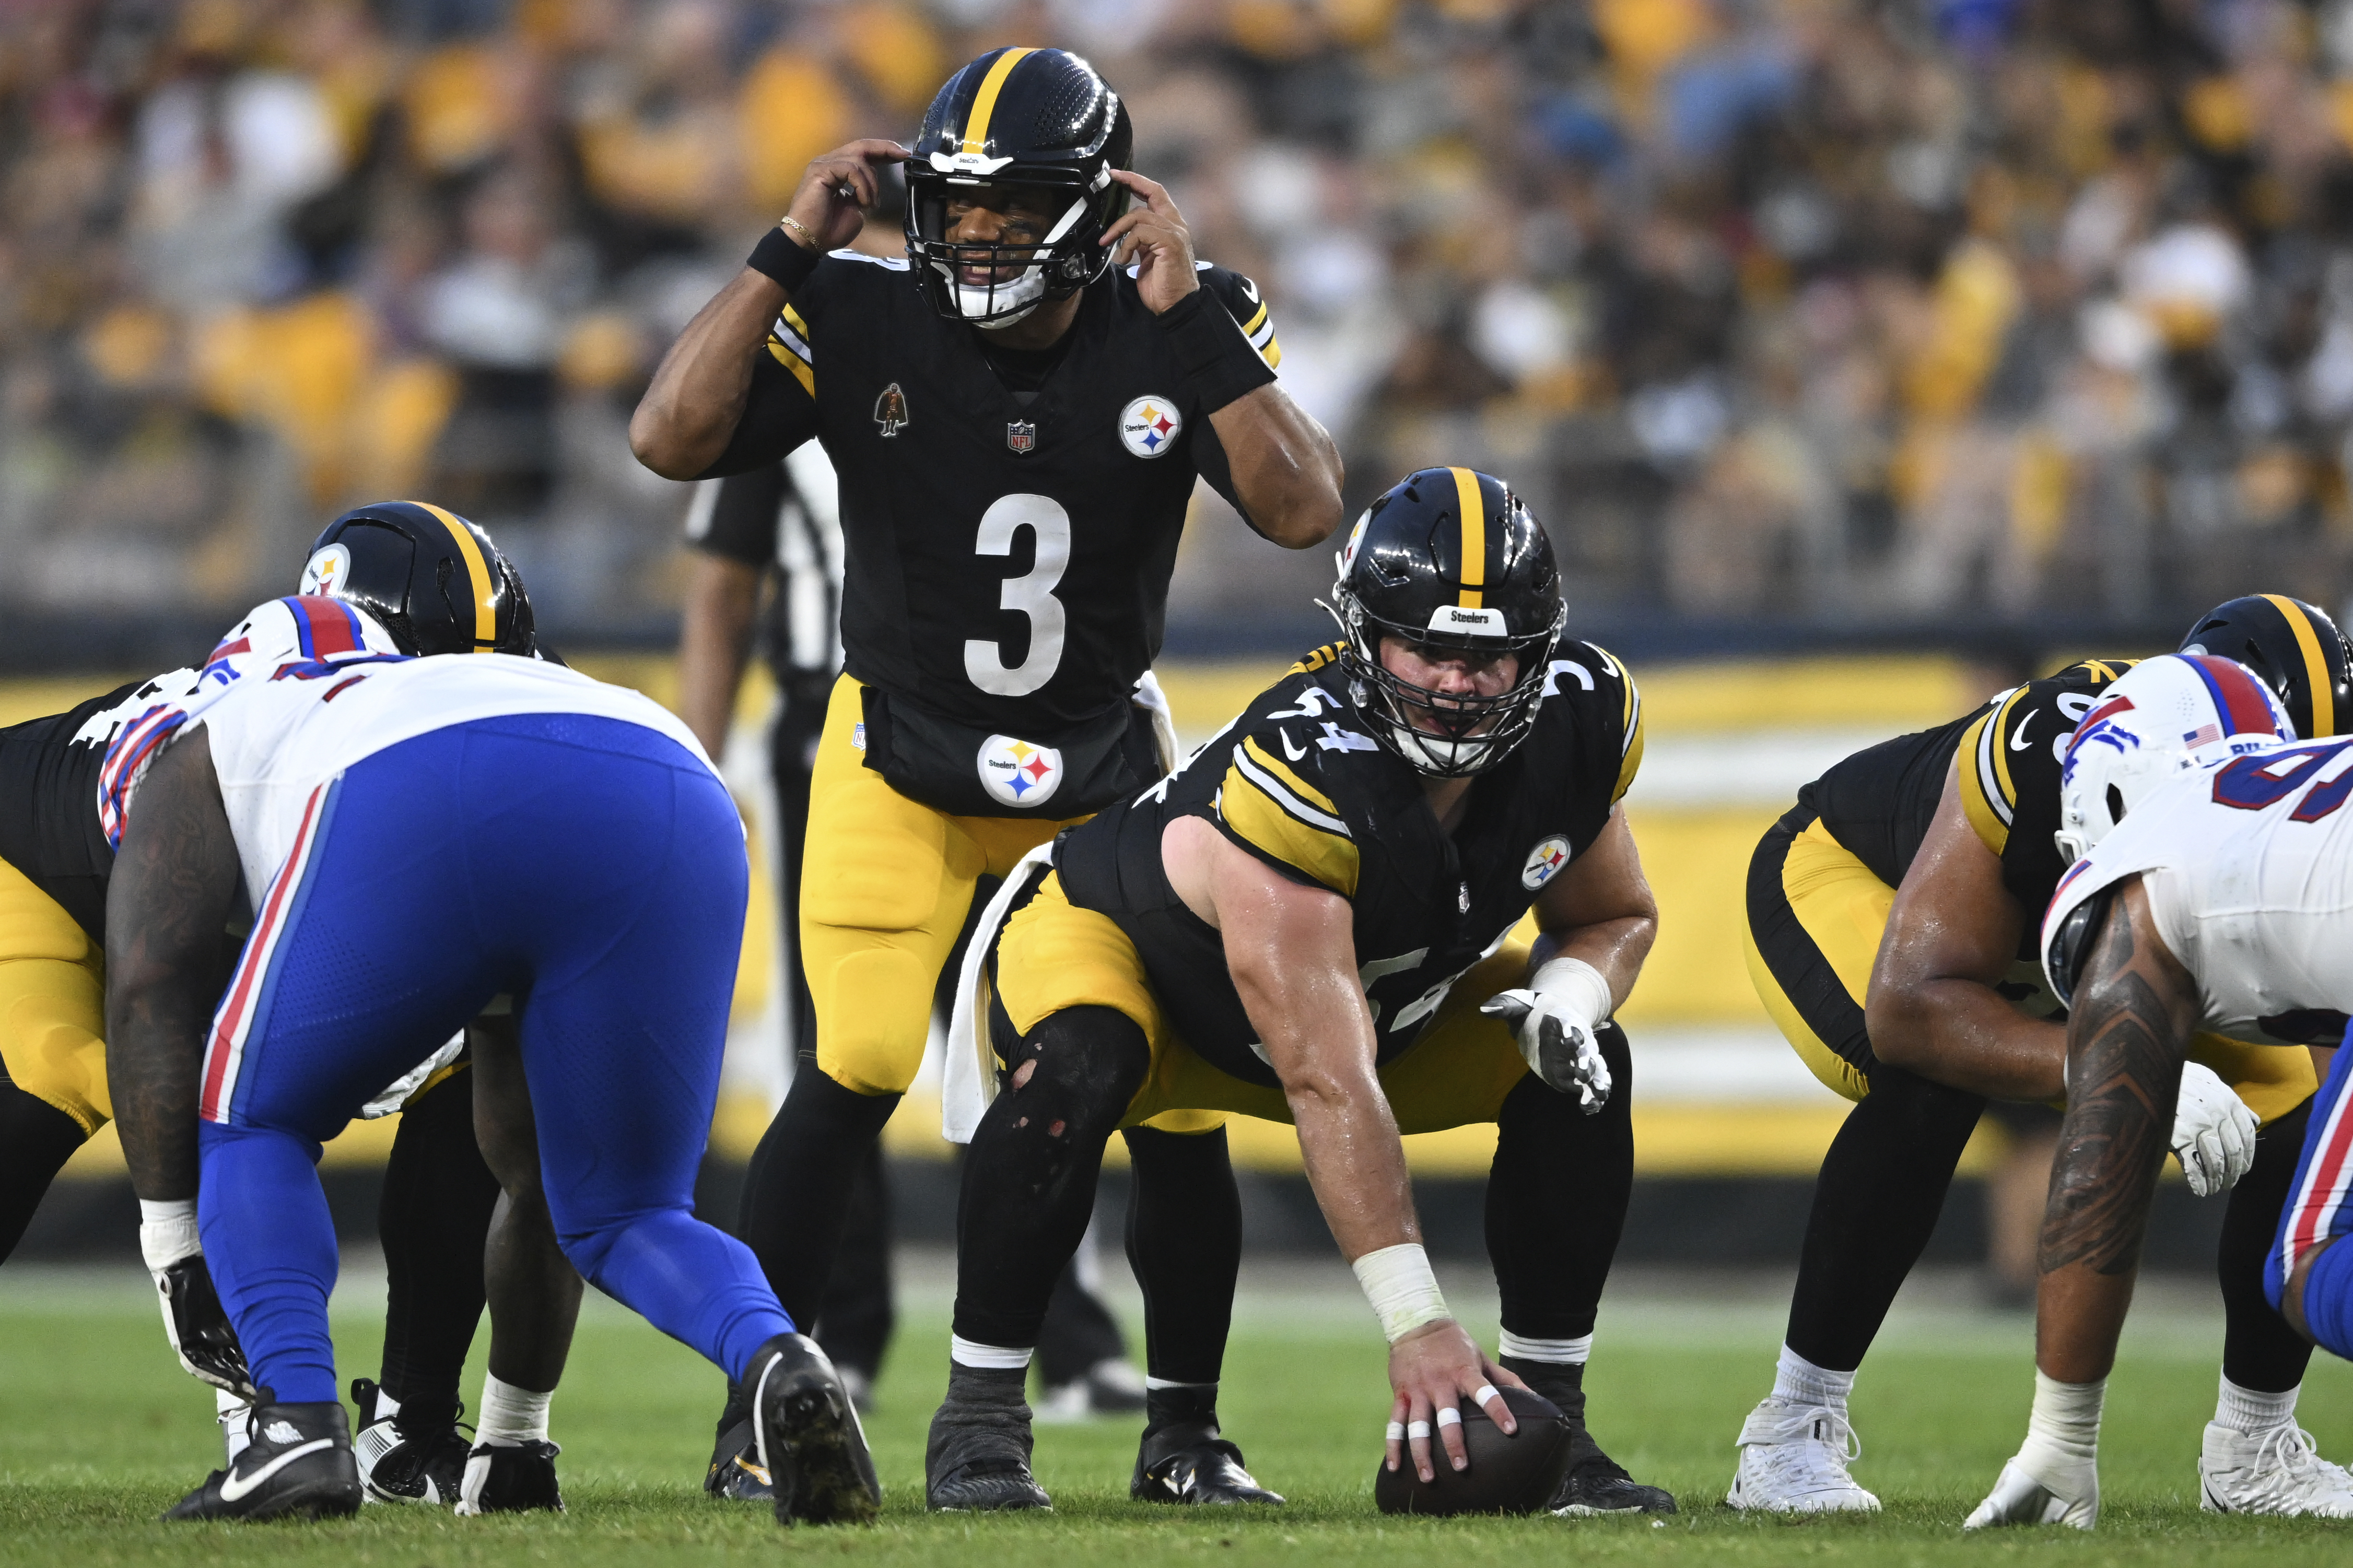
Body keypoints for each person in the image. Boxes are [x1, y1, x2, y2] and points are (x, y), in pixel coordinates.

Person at [630, 44, 1344, 1493]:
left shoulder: (1181, 315)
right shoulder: (855, 307)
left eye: (1011, 209)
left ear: (1094, 206)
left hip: (1099, 774)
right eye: (955, 208)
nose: (975, 236)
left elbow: (1302, 509)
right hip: (899, 753)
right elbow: (669, 435)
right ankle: (755, 1415)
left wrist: (1189, 317)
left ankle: (1184, 1433)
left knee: (1180, 1105)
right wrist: (785, 247)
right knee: (854, 1065)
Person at [928, 468, 1673, 1516]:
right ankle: (980, 1420)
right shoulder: (1308, 769)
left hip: (1364, 1007)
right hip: (1133, 956)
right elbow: (1325, 1077)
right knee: (1077, 1066)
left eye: (1486, 656)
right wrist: (1417, 1322)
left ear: (1537, 652)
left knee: (1584, 1073)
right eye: (1426, 649)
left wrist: (1570, 999)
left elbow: (1612, 914)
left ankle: (1550, 1420)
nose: (1457, 685)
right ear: (1364, 638)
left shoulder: (1579, 723)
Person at [99, 593, 877, 1525]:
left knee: (251, 1117)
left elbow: (147, 988)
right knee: (627, 1211)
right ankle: (776, 1356)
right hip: (675, 784)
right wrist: (510, 1440)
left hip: (427, 785)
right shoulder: (505, 679)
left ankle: (295, 1425)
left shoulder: (216, 728)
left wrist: (174, 1244)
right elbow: (518, 1140)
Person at [0, 501, 576, 1511]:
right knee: (91, 1088)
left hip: (207, 908)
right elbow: (158, 986)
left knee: (471, 1078)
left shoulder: (479, 705)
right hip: (44, 876)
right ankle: (269, 1423)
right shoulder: (233, 744)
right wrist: (174, 1246)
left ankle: (412, 1425)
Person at [1727, 596, 2348, 1515]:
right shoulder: (2047, 749)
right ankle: (1791, 1427)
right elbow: (1912, 1008)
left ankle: (2253, 1450)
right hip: (1864, 887)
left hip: (2112, 932)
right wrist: (2121, 1072)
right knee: (1928, 1077)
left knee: (2296, 1107)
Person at [678, 455, 1148, 1425]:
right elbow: (722, 582)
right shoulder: (809, 383)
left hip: (1010, 739)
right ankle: (832, 1344)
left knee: (1046, 1040)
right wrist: (697, 766)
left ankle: (1068, 1337)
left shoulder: (979, 394)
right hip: (841, 743)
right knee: (845, 1055)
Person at [1968, 653, 2353, 1527]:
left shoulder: (2141, 870)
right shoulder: (2289, 811)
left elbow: (2101, 1167)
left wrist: (2059, 1441)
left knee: (2311, 1262)